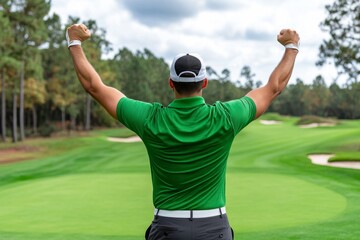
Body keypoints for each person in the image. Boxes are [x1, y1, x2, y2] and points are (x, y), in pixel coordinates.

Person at [66, 24, 299, 240]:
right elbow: (274, 88)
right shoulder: (225, 117)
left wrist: (74, 42)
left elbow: (93, 87)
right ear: (205, 83)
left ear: (171, 83)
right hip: (214, 227)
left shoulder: (151, 119)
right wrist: (291, 47)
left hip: (167, 227)